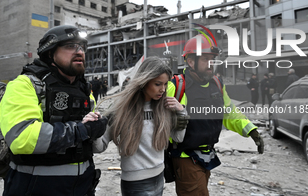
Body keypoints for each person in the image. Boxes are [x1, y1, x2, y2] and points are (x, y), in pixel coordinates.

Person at [0, 25, 108, 196]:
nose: (79, 52)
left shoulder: (84, 90)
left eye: (81, 47)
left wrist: (98, 129)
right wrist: (82, 130)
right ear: (50, 53)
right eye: (70, 46)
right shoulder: (24, 85)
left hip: (83, 187)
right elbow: (21, 138)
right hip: (35, 188)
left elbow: (93, 144)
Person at [167, 34, 264, 196]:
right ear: (191, 62)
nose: (210, 63)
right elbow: (157, 120)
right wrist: (173, 122)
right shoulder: (177, 86)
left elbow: (229, 113)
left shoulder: (217, 84)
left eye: (212, 59)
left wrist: (251, 130)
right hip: (186, 157)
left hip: (207, 156)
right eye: (205, 59)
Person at [91, 56, 188, 196]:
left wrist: (181, 112)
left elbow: (178, 138)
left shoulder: (165, 107)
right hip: (135, 184)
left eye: (165, 84)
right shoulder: (121, 108)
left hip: (160, 177)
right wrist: (94, 127)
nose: (163, 89)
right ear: (144, 81)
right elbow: (99, 147)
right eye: (157, 84)